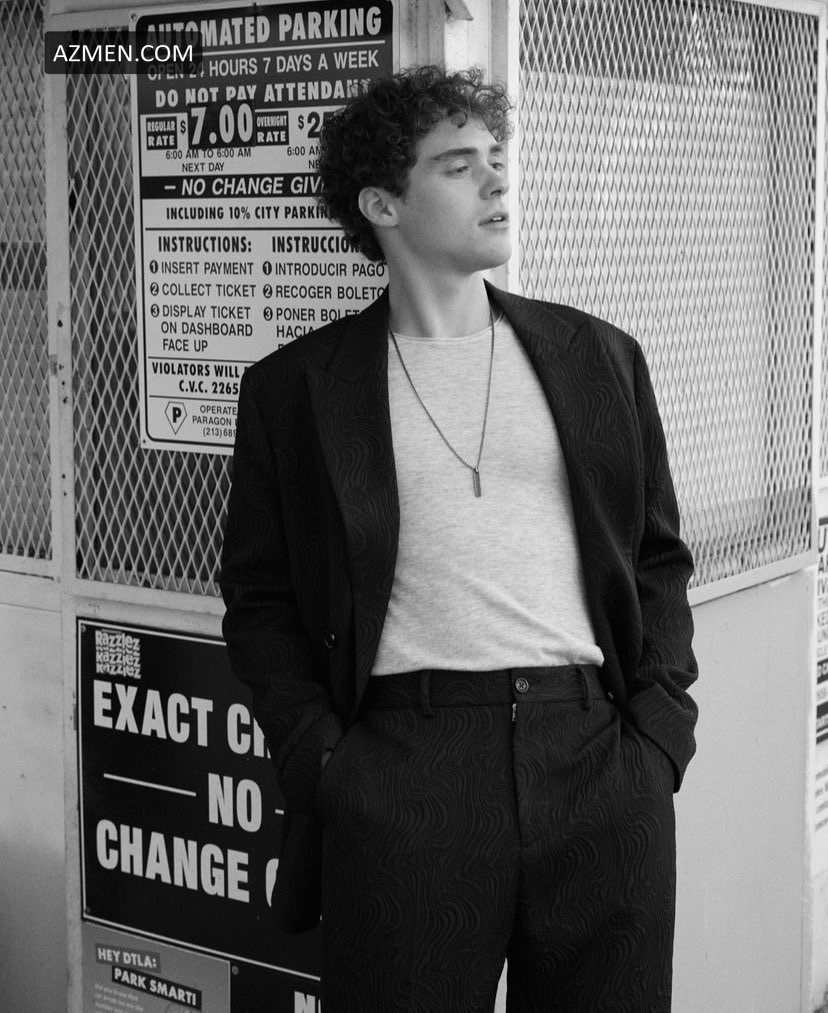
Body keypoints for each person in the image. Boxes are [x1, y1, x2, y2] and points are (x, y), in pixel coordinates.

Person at [220, 65, 698, 1012]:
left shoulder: (597, 356)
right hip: (405, 771)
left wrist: (659, 735)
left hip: (598, 757)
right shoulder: (297, 389)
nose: (496, 179)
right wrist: (326, 762)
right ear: (383, 204)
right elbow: (261, 599)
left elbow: (656, 557)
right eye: (458, 165)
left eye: (496, 157)